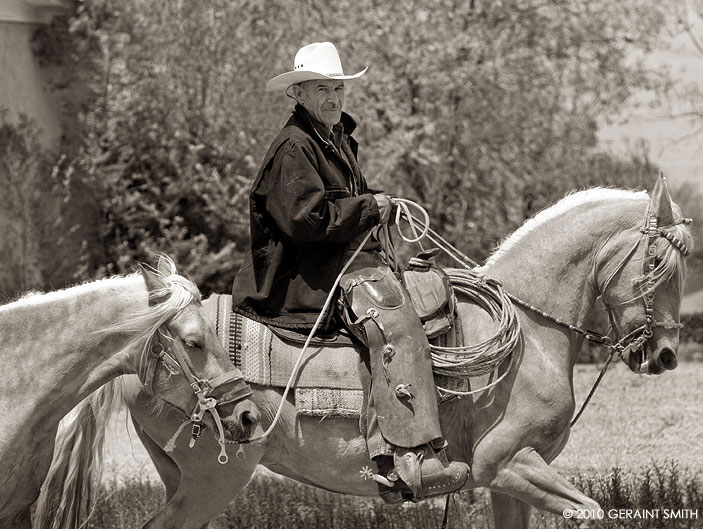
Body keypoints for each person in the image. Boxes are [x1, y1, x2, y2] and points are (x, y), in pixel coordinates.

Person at [231, 42, 469, 503]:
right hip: (303, 278)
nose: (334, 97)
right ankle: (405, 460)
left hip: (337, 263)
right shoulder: (294, 147)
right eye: (322, 89)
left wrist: (377, 202)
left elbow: (339, 203)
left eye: (338, 88)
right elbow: (307, 221)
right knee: (394, 321)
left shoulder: (333, 137)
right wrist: (369, 206)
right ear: (297, 93)